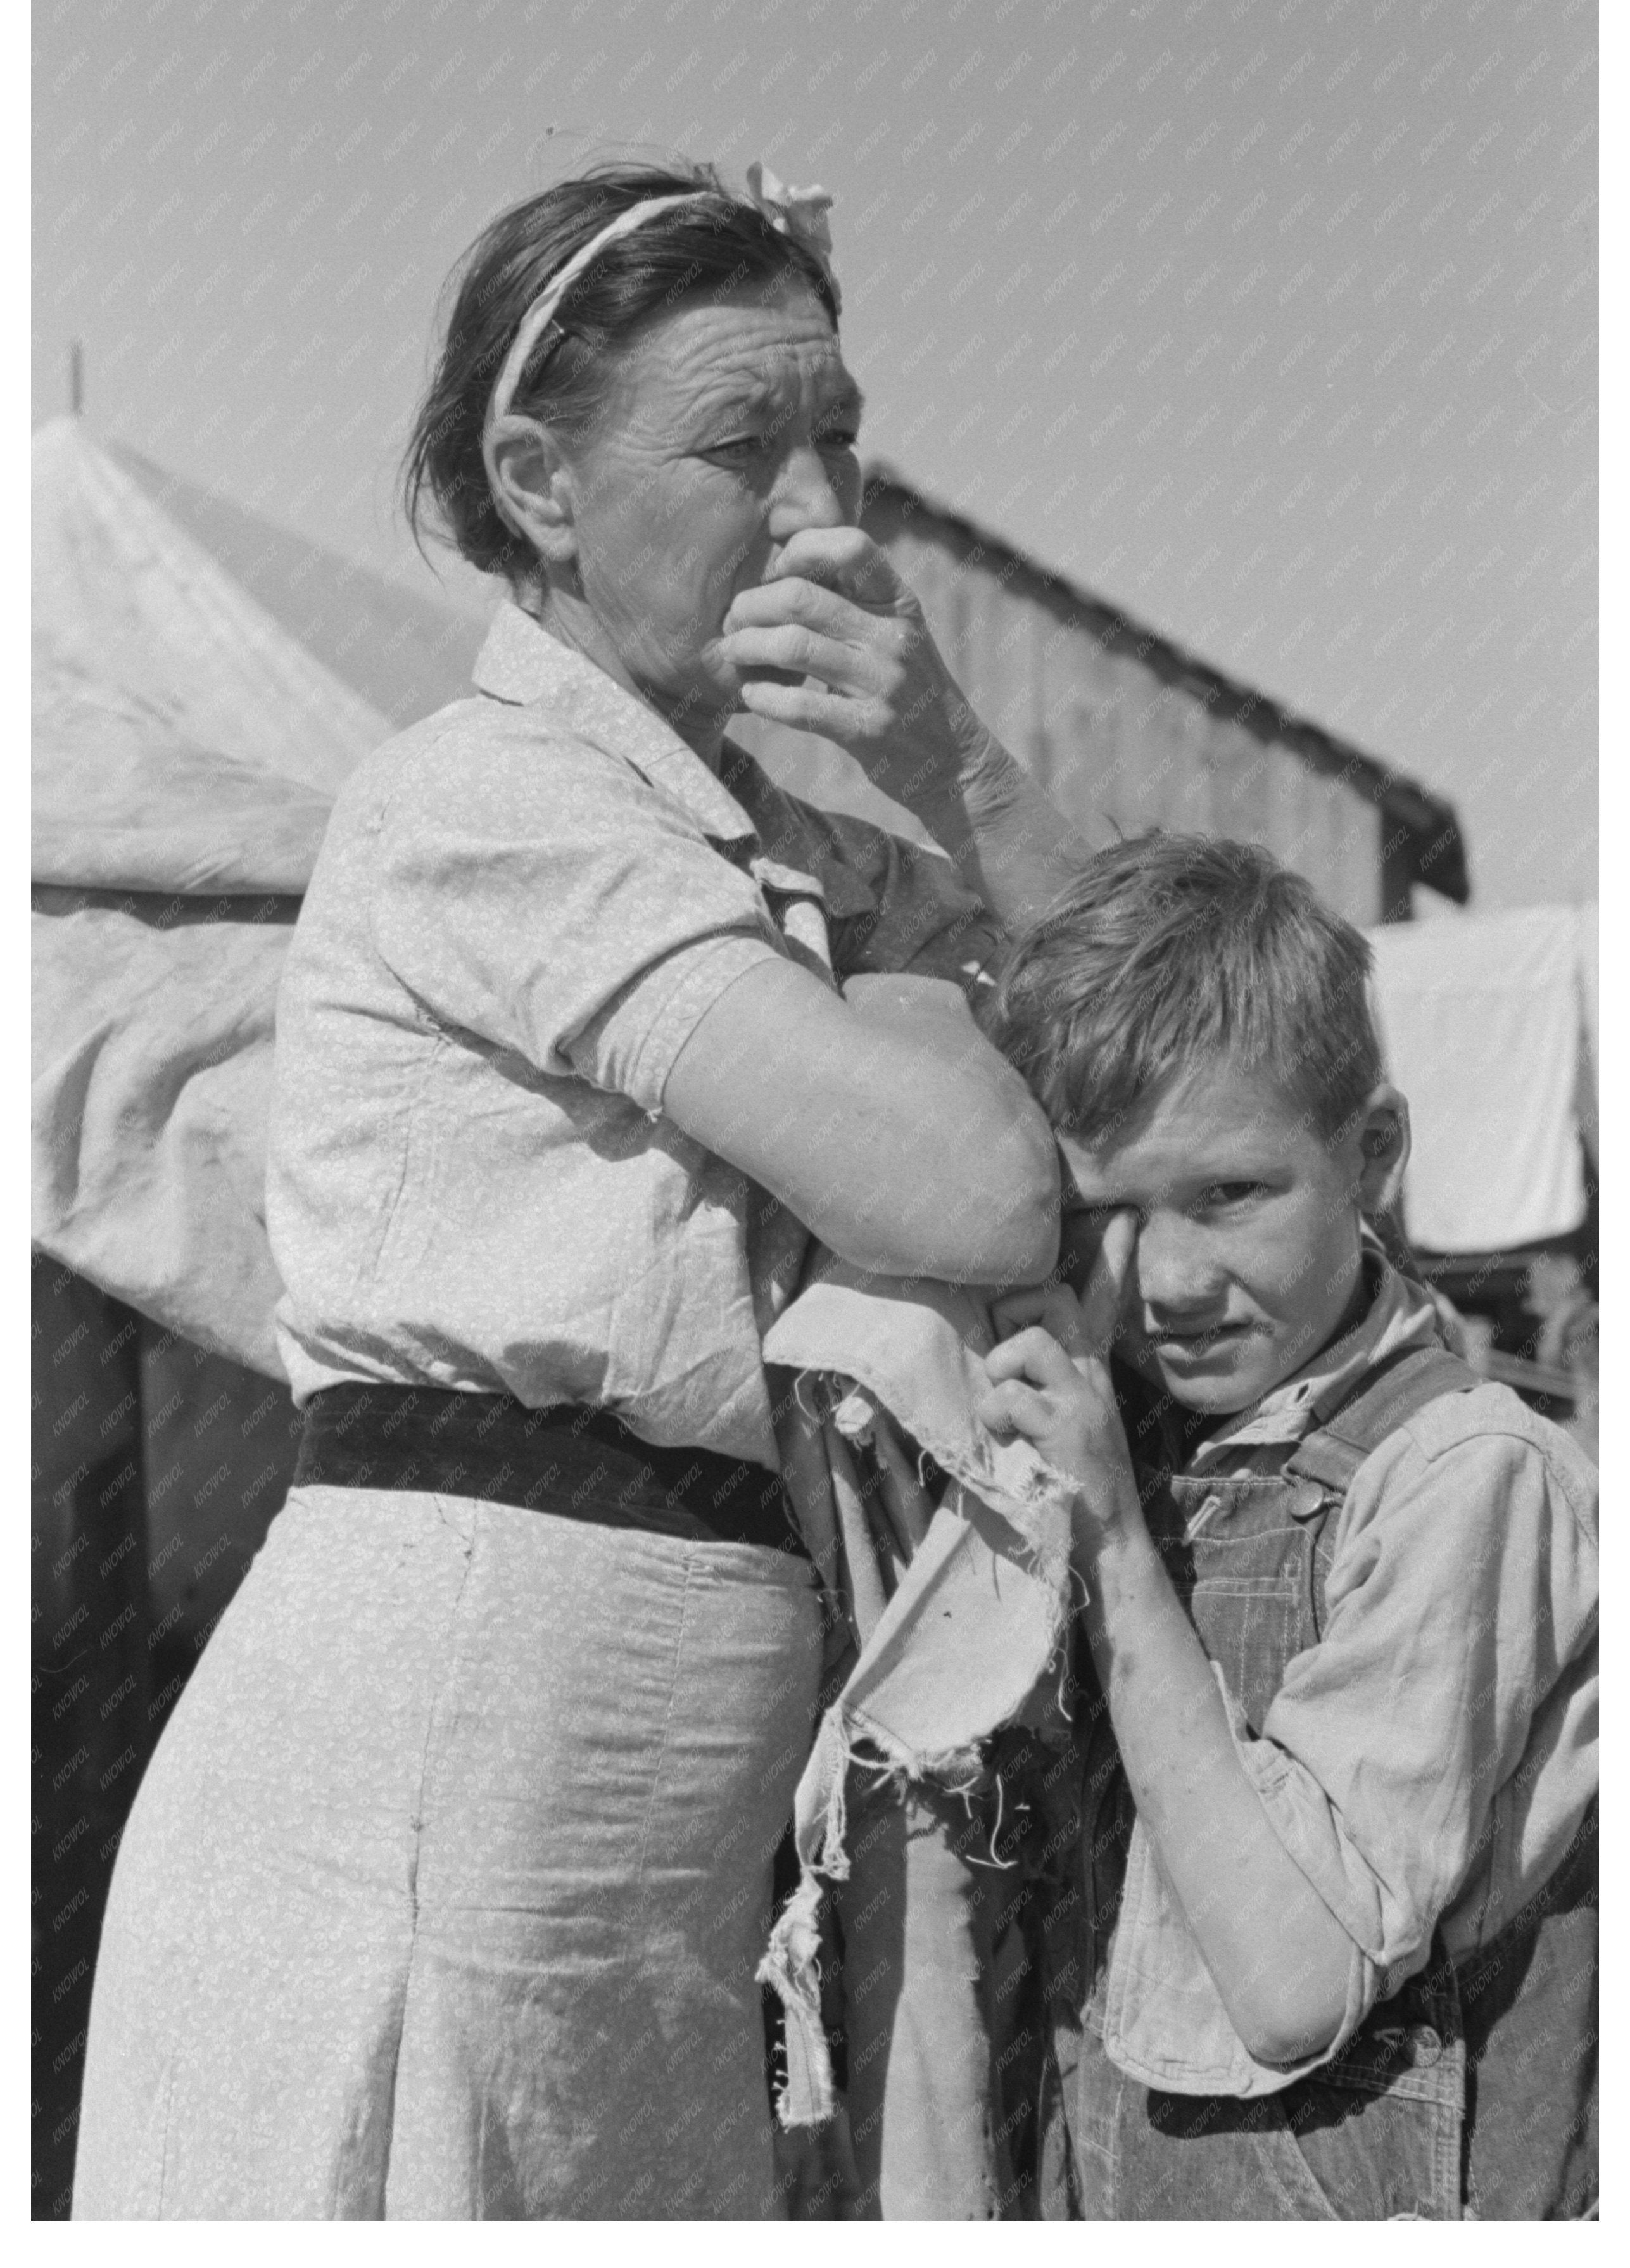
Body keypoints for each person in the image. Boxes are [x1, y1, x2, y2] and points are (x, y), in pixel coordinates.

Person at [72, 158, 1100, 2221]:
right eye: (744, 445)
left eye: (844, 440)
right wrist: (933, 974)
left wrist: (963, 788)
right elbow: (988, 1188)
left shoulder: (794, 844)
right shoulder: (489, 803)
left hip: (641, 1795)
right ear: (539, 484)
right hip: (446, 1756)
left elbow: (1146, 1073)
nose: (827, 516)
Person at [978, 835, 1598, 2221]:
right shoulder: (1145, 1432)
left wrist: (1121, 1555)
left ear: (1372, 1151)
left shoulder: (1466, 1477)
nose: (1169, 1279)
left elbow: (1291, 1978)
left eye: (1231, 1193)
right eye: (1104, 1214)